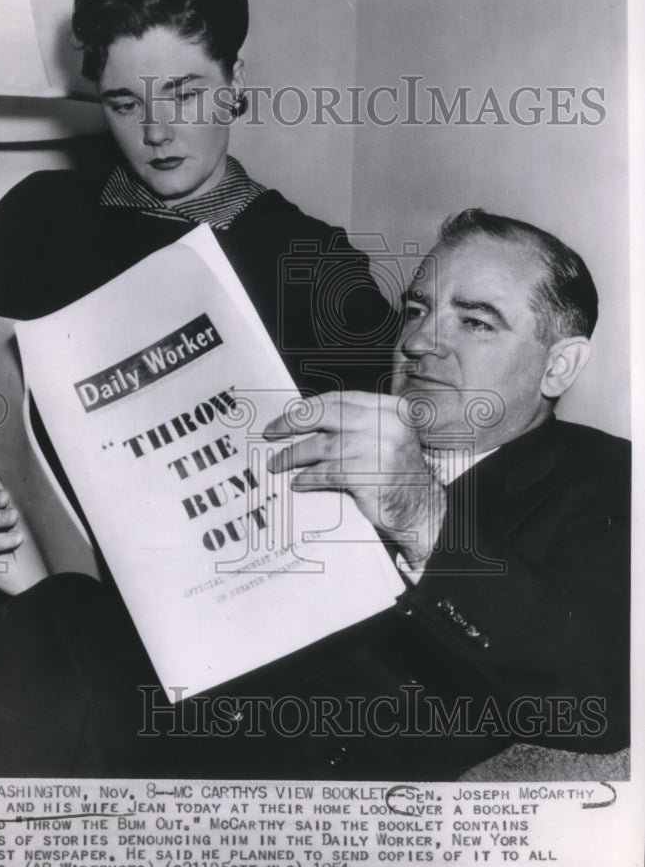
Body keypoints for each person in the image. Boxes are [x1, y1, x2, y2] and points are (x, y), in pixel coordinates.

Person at [0, 0, 399, 777]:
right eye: (123, 102)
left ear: (236, 79)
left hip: (214, 616)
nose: (156, 131)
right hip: (27, 579)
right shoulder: (38, 217)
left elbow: (351, 485)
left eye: (184, 92)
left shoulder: (312, 261)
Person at [262, 208, 630, 779]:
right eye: (417, 309)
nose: (417, 341)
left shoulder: (612, 481)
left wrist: (423, 514)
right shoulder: (331, 440)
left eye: (476, 322)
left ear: (559, 366)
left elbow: (598, 695)